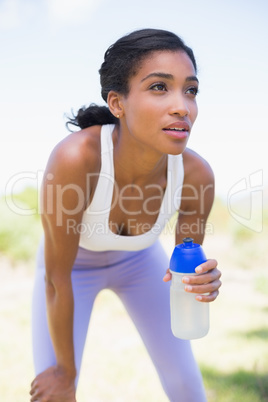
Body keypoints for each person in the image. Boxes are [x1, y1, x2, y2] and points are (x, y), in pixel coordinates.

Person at [30, 28, 222, 402]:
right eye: (159, 87)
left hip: (138, 264)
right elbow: (56, 278)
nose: (182, 105)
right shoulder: (77, 159)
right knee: (54, 390)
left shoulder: (197, 175)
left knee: (187, 387)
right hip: (69, 270)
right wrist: (66, 375)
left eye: (191, 90)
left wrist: (200, 282)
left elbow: (183, 270)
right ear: (117, 103)